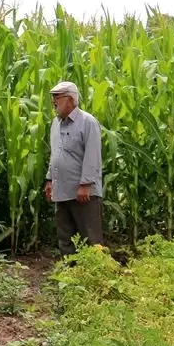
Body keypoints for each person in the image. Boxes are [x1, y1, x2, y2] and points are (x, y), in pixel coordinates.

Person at [43, 80, 105, 254]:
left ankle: (95, 277)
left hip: (83, 193)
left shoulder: (87, 122)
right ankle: (70, 277)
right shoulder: (56, 124)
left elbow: (92, 155)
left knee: (90, 239)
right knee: (66, 239)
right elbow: (55, 154)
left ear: (70, 100)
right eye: (52, 98)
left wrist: (86, 184)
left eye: (57, 98)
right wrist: (49, 180)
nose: (53, 102)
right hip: (61, 190)